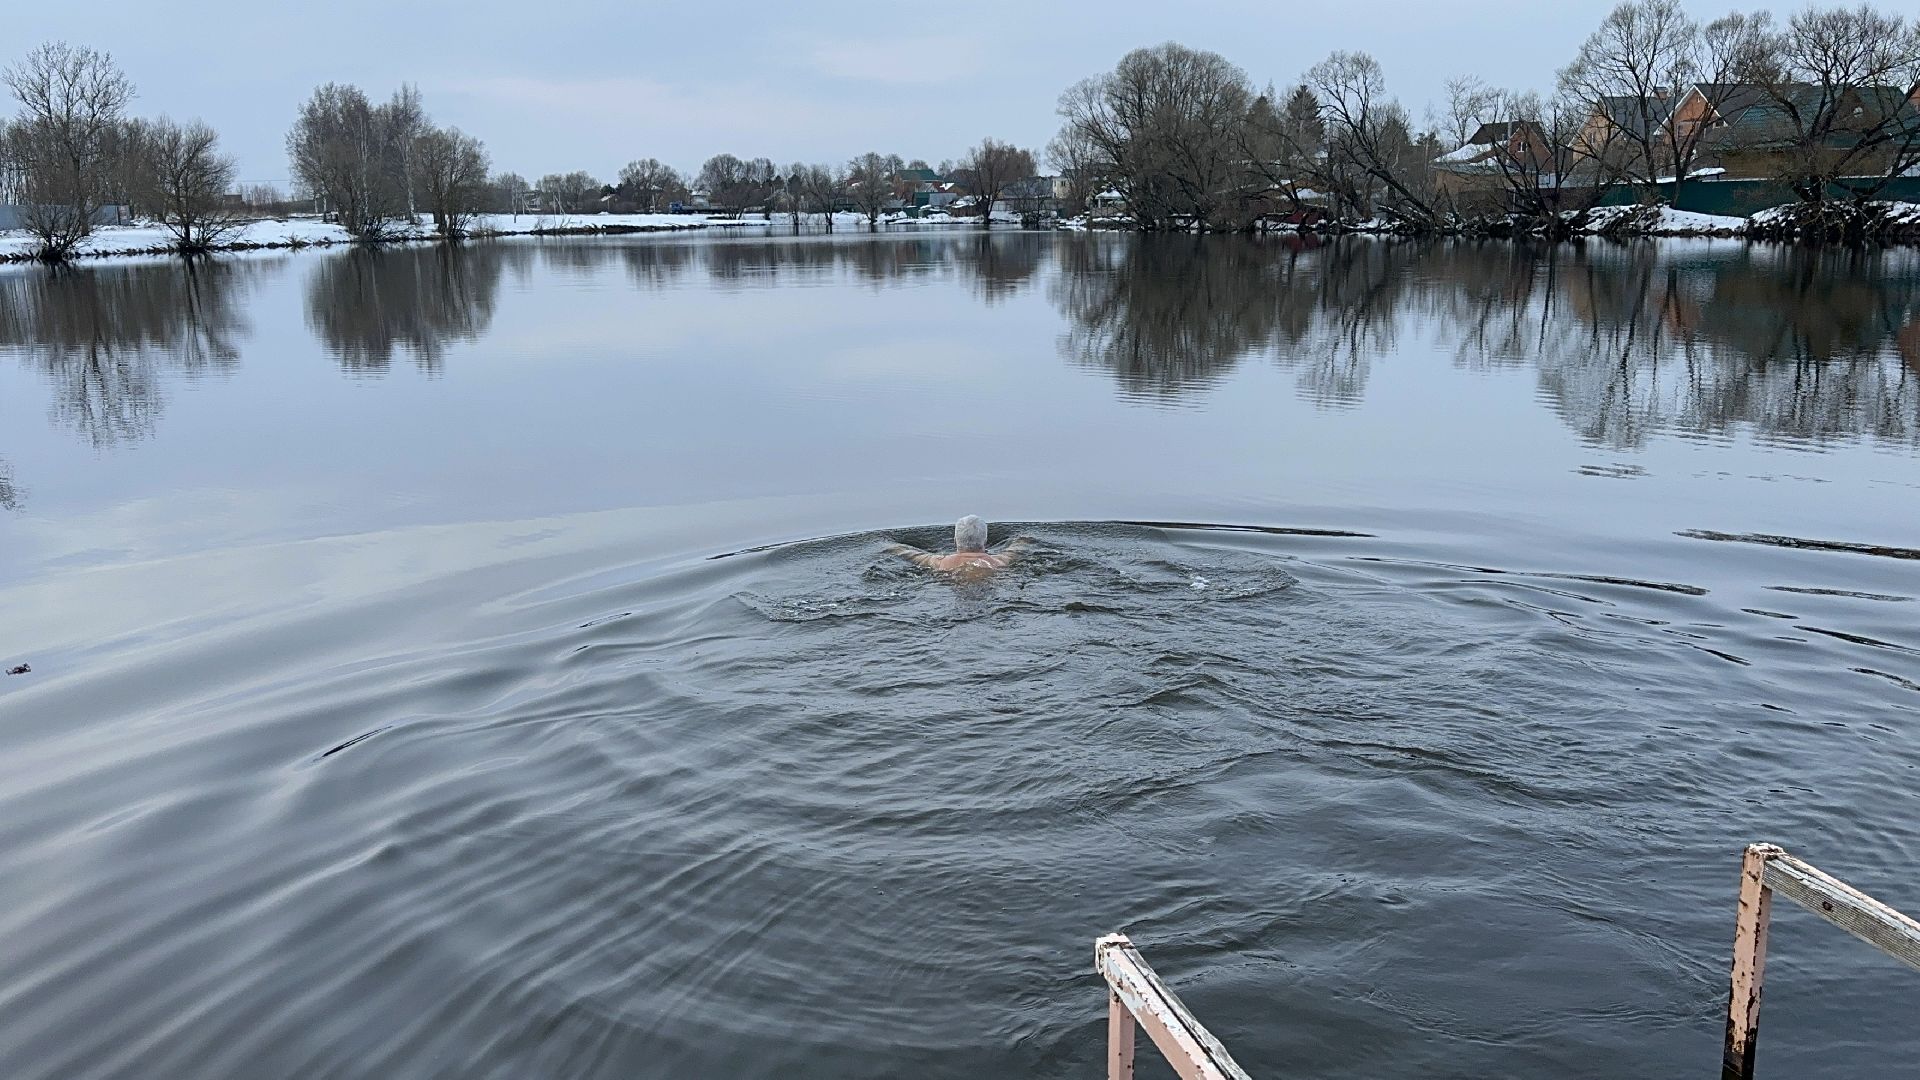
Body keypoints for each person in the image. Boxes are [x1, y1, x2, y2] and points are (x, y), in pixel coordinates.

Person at [885, 516, 1031, 580]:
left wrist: (886, 543)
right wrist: (1024, 538)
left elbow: (907, 552)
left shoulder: (939, 562)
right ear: (985, 541)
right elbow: (1017, 547)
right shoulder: (999, 562)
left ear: (955, 541)